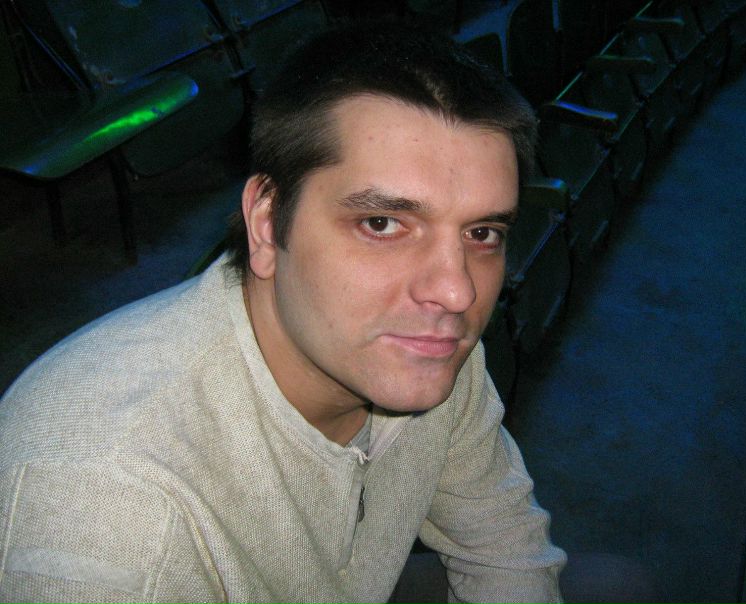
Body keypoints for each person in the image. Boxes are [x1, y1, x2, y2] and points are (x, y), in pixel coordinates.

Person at [0, 20, 568, 602]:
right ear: (267, 224)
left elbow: (504, 547)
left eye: (482, 232)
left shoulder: (423, 345)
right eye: (381, 223)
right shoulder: (108, 507)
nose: (456, 292)